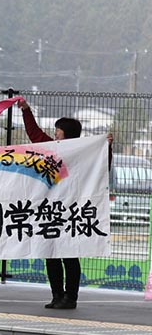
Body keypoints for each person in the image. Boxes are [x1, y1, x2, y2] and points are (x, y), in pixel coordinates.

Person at [17, 99, 111, 310]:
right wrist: (26, 110)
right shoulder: (52, 149)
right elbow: (35, 134)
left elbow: (102, 166)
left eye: (58, 130)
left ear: (66, 132)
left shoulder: (84, 154)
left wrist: (108, 147)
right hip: (52, 211)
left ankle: (71, 297)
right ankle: (57, 295)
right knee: (51, 254)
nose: (55, 133)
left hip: (72, 212)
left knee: (69, 255)